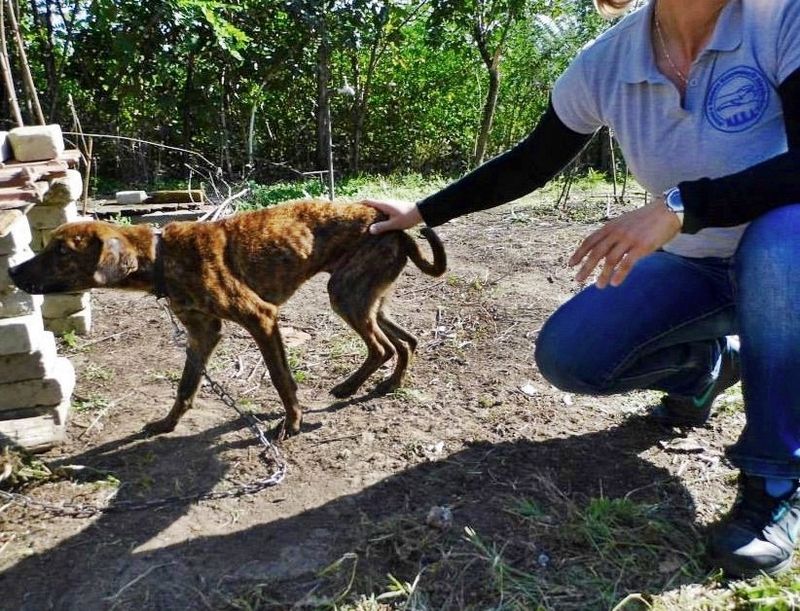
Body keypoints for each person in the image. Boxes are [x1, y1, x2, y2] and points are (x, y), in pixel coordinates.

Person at [365, 0, 800, 578]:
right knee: (573, 356)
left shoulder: (781, 18)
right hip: (698, 265)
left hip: (787, 263)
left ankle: (774, 480)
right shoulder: (608, 61)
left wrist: (681, 206)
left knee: (784, 238)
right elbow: (530, 162)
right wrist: (422, 211)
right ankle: (707, 369)